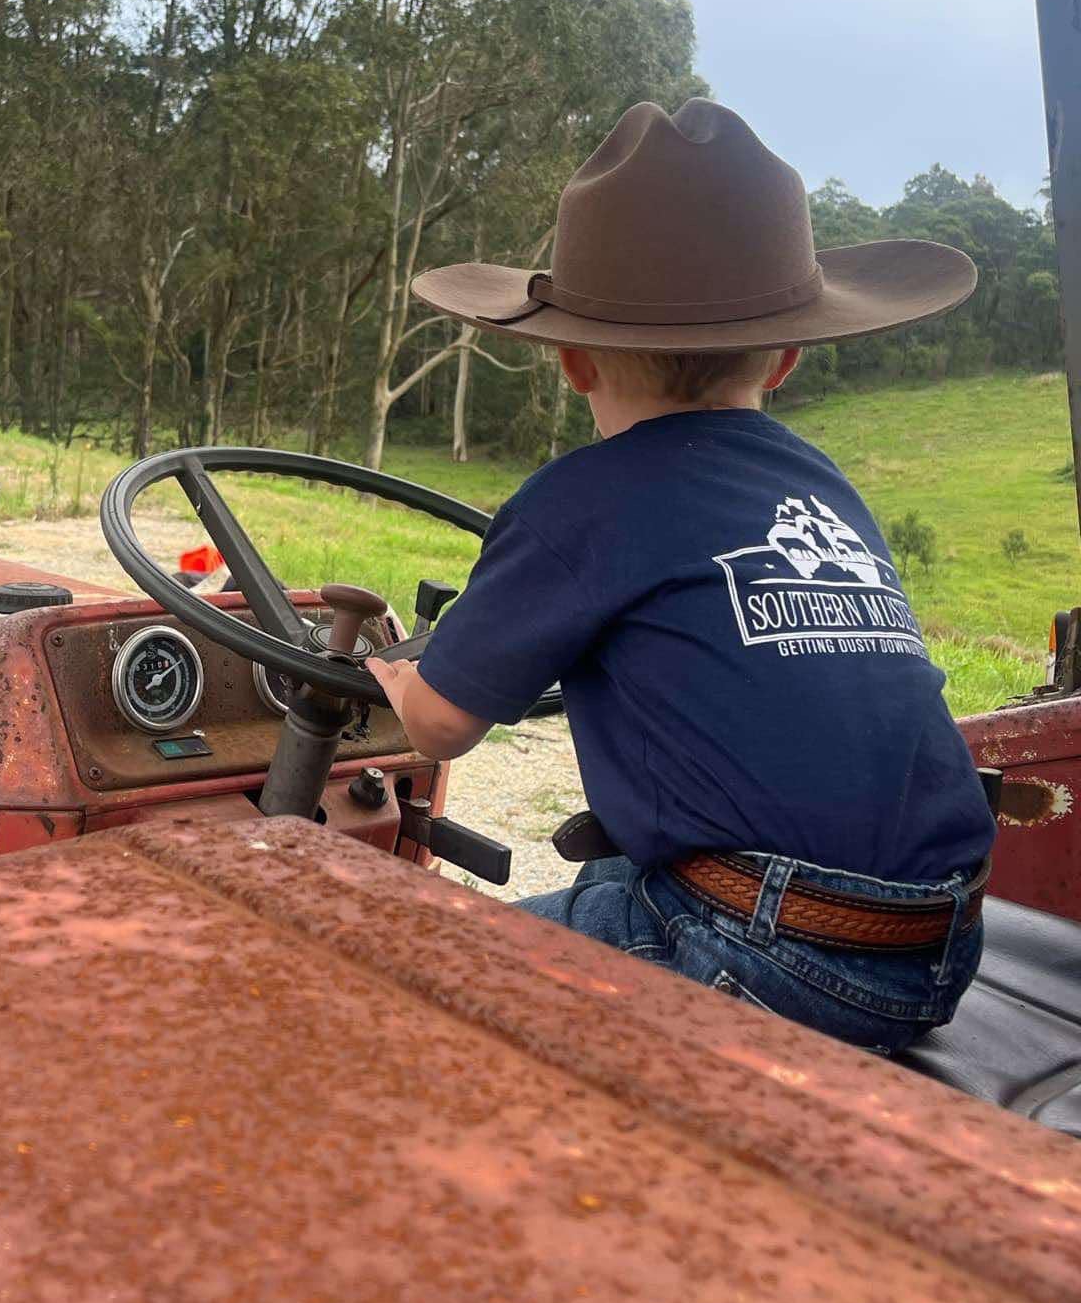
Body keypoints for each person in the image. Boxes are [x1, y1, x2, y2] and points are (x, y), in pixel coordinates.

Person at [366, 99, 995, 1055]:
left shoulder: (580, 501)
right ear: (785, 361)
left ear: (570, 362)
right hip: (935, 941)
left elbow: (440, 728)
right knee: (607, 879)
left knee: (396, 975)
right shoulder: (820, 484)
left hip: (768, 946)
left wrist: (399, 677)